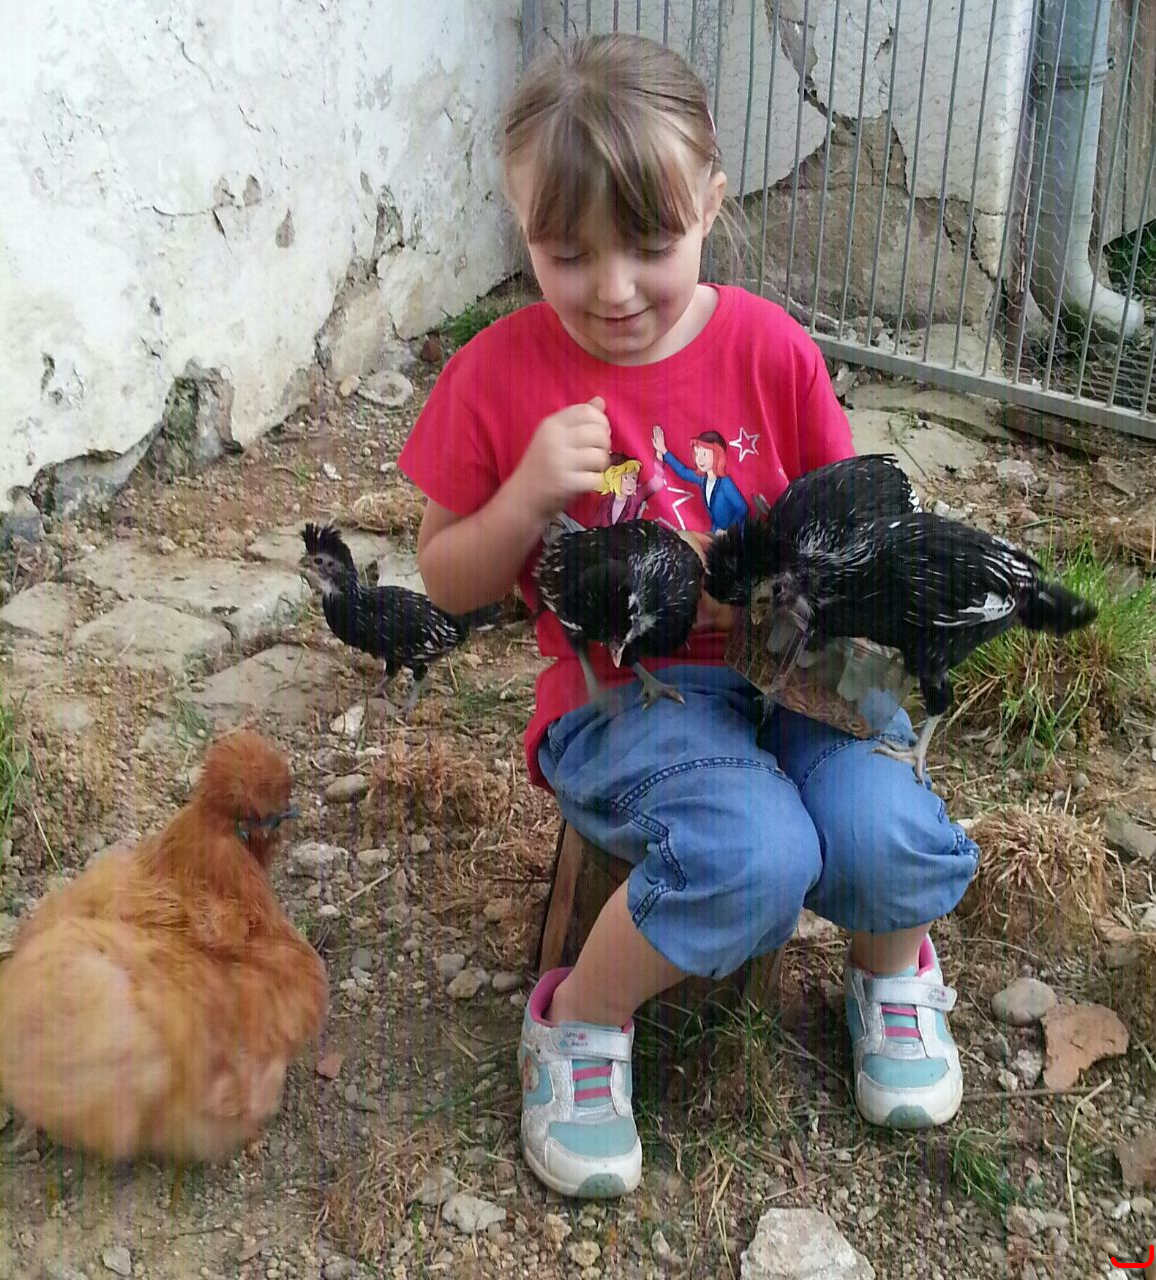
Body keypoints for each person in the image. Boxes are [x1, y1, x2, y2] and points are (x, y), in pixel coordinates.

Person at [397, 31, 979, 1200]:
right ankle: (578, 1019)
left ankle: (890, 971)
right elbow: (447, 582)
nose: (611, 290)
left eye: (650, 246)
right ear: (519, 224)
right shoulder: (497, 375)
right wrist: (523, 499)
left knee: (883, 829)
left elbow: (841, 523)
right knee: (755, 852)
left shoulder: (771, 351)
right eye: (566, 254)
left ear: (711, 200)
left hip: (800, 663)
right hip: (624, 694)